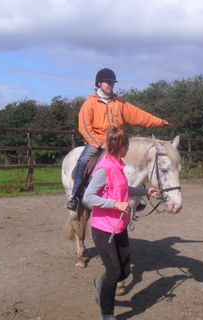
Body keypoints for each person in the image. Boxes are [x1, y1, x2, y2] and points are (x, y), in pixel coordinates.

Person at [66, 67, 170, 211]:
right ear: (99, 84)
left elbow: (139, 115)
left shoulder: (120, 103)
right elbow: (84, 127)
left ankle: (133, 198)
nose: (111, 85)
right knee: (83, 161)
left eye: (112, 83)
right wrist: (99, 144)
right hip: (97, 141)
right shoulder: (90, 103)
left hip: (117, 141)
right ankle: (75, 196)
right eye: (107, 82)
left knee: (131, 164)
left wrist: (160, 122)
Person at [82, 127, 159, 320]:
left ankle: (102, 284)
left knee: (124, 269)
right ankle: (107, 314)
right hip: (103, 229)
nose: (128, 149)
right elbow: (88, 197)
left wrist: (145, 192)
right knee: (114, 272)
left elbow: (124, 188)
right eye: (127, 145)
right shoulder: (104, 168)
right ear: (122, 147)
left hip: (119, 227)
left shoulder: (118, 165)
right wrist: (115, 204)